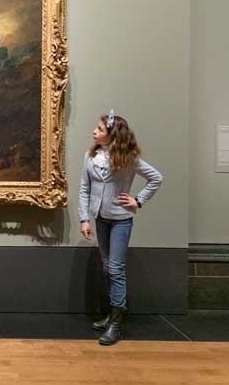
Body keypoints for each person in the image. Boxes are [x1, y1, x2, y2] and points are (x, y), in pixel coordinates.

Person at [78, 110, 163, 345]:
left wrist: (138, 200)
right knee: (107, 267)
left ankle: (116, 323)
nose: (94, 131)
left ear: (112, 136)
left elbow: (156, 177)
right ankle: (111, 315)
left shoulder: (128, 158)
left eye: (100, 129)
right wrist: (84, 218)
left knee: (116, 268)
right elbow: (84, 189)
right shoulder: (90, 156)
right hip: (100, 218)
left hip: (120, 219)